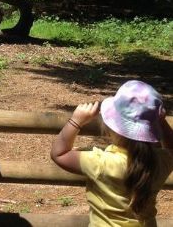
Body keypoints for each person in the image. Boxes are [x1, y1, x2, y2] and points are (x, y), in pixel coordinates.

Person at [51, 80, 173, 226]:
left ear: (112, 128)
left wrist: (76, 121)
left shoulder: (101, 163)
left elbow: (59, 154)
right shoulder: (159, 162)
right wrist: (160, 121)